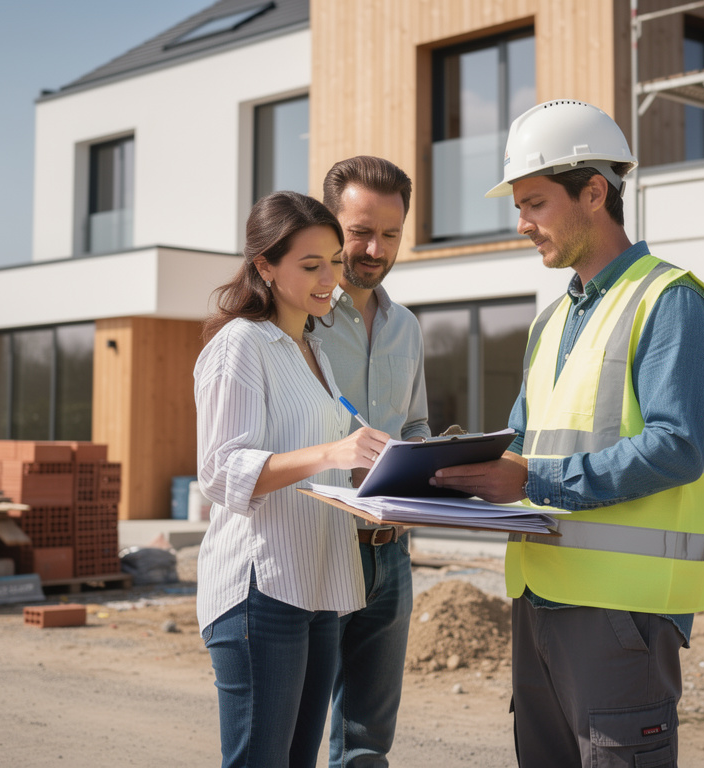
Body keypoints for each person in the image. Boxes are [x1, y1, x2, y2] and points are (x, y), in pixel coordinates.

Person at [430, 99, 704, 767]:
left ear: (594, 192)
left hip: (619, 613)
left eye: (535, 203)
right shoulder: (550, 322)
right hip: (540, 596)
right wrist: (431, 479)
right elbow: (519, 447)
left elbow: (675, 447)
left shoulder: (672, 302)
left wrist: (532, 479)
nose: (522, 224)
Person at [194, 190, 391, 768]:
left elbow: (313, 463)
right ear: (264, 267)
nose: (330, 277)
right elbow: (222, 470)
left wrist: (370, 467)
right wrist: (332, 449)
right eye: (310, 265)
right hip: (262, 587)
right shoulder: (241, 344)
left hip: (319, 582)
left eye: (334, 260)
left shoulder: (313, 349)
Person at [315, 155, 430, 768]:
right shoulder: (297, 321)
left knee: (366, 743)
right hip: (316, 543)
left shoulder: (406, 327)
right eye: (359, 230)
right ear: (330, 226)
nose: (374, 247)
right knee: (293, 730)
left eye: (390, 233)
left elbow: (413, 425)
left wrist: (428, 472)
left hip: (391, 553)